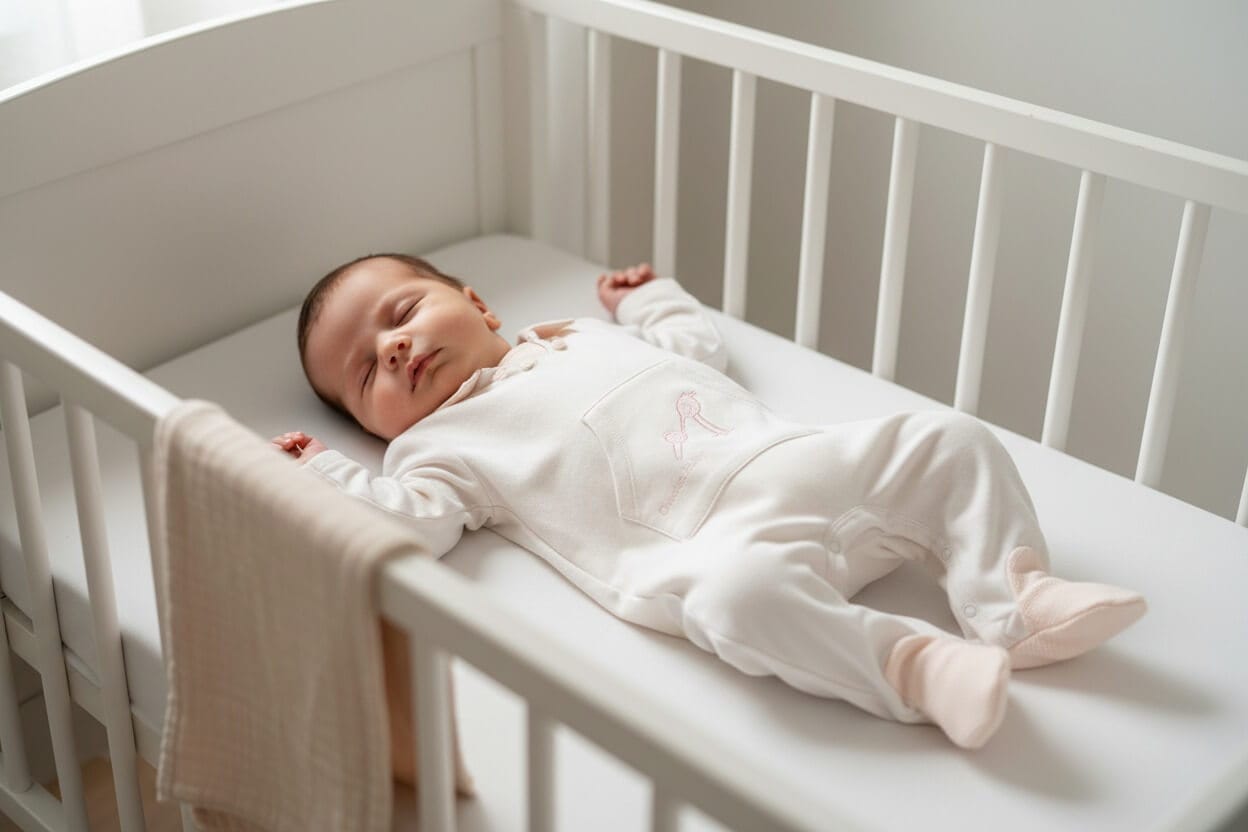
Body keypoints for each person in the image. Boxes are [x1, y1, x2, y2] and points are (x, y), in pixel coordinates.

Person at [273, 252, 1146, 752]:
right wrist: (321, 473)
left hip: (801, 461)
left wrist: (644, 298)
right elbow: (410, 527)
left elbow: (695, 349)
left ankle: (1015, 597)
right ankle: (911, 669)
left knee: (951, 437)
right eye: (362, 373)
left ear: (475, 302)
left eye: (402, 312)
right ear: (374, 428)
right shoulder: (439, 449)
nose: (392, 348)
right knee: (738, 608)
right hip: (716, 546)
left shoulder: (575, 335)